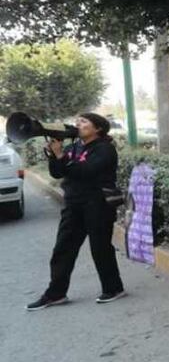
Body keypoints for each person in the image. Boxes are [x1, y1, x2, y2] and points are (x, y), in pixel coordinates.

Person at [27, 113, 126, 310]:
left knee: (100, 248)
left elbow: (86, 171)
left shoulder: (105, 149)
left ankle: (113, 288)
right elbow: (57, 172)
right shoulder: (74, 146)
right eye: (78, 121)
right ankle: (55, 293)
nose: (78, 124)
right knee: (63, 248)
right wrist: (54, 155)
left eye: (84, 121)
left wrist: (62, 156)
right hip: (73, 204)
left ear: (97, 128)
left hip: (97, 203)